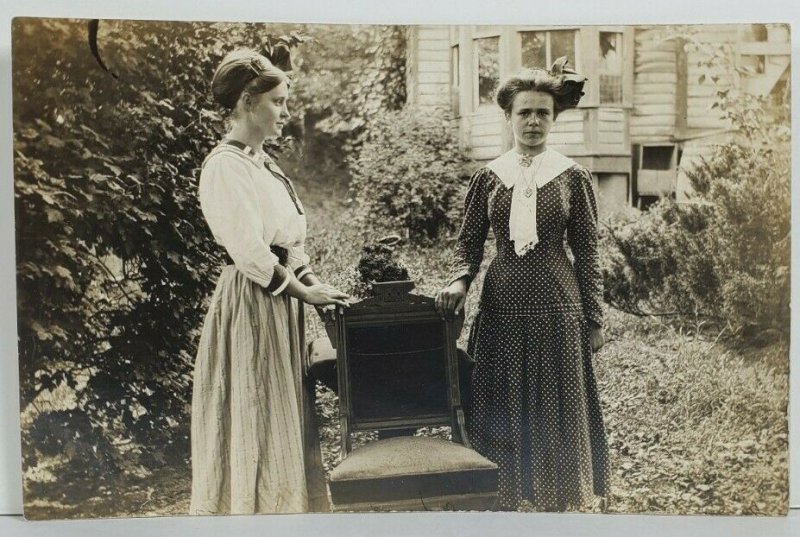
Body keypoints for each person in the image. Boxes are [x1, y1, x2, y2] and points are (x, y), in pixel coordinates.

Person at [436, 58, 609, 512]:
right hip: (502, 302)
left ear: (554, 119)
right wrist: (460, 279)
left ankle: (558, 496)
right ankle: (507, 493)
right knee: (501, 399)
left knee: (557, 402)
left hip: (558, 303)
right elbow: (468, 244)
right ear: (509, 117)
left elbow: (588, 252)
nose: (533, 122)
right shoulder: (490, 176)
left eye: (542, 113)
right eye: (524, 113)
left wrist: (594, 318)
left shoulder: (573, 176)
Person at [189, 49, 349, 515]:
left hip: (283, 303)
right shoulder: (225, 166)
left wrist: (317, 290)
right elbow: (251, 252)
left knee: (282, 413)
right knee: (256, 408)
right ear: (246, 102)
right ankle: (251, 513)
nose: (285, 113)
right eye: (277, 102)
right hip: (252, 302)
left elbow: (289, 243)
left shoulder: (264, 164)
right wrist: (303, 291)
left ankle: (289, 510)